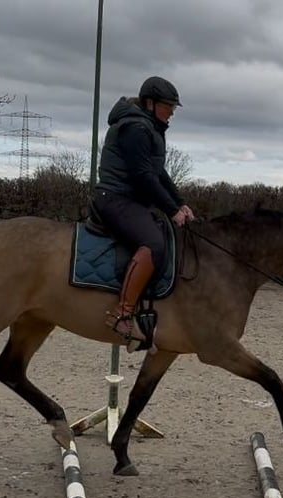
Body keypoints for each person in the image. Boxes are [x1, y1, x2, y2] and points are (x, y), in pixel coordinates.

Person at [91, 76, 195, 349]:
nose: (172, 111)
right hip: (115, 198)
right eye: (168, 105)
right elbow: (142, 176)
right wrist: (171, 210)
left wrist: (180, 203)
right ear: (150, 103)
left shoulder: (149, 127)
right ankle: (123, 314)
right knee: (153, 243)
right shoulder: (135, 128)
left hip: (131, 200)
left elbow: (159, 173)